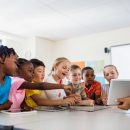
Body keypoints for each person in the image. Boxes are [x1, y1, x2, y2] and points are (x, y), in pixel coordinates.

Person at [0, 45, 74, 110]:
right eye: (15, 62)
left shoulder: (8, 80)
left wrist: (24, 105)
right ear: (2, 58)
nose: (17, 67)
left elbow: (19, 98)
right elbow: (41, 86)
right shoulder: (16, 81)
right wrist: (62, 86)